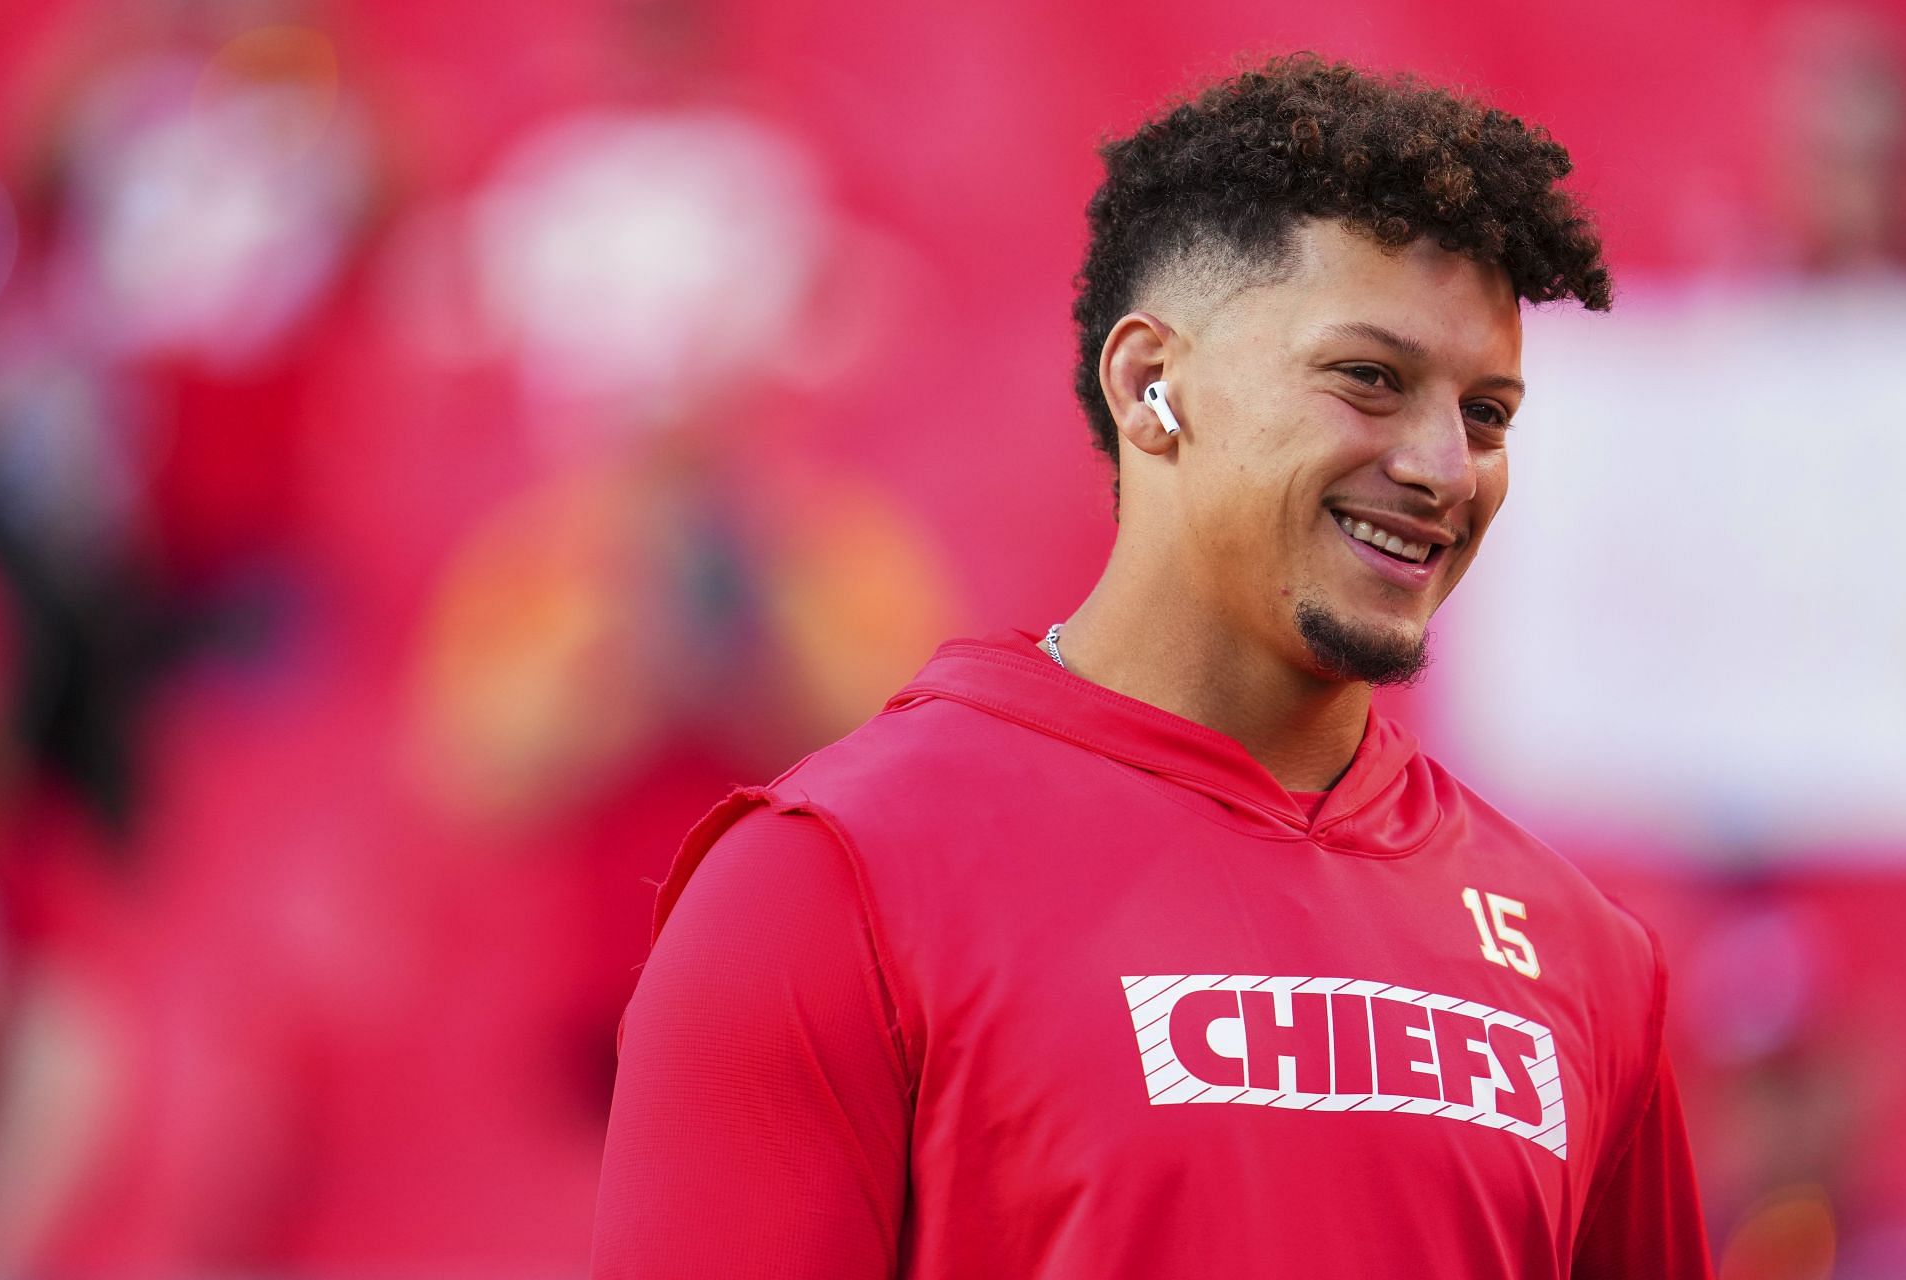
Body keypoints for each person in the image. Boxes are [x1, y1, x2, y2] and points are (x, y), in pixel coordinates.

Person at [589, 53, 1715, 1279]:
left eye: (1487, 412)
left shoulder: (1586, 957)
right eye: (1370, 380)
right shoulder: (829, 885)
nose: (1447, 466)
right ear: (1150, 385)